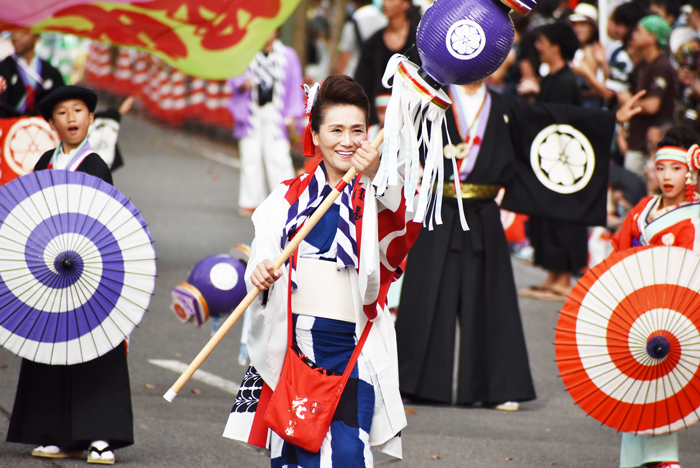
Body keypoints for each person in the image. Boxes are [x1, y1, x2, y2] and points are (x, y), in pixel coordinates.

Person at [395, 75, 645, 408]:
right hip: (438, 208)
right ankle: (413, 383)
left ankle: (495, 387)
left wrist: (611, 118)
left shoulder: (504, 105)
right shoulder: (433, 100)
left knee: (489, 297)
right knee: (426, 295)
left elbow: (554, 118)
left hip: (483, 211)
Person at [222, 75, 421, 466]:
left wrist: (379, 173)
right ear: (315, 133)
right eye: (336, 130)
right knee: (294, 454)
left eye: (357, 130)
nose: (347, 141)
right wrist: (260, 273)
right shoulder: (285, 197)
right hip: (294, 348)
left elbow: (402, 229)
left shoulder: (379, 192)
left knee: (349, 453)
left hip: (353, 348)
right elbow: (263, 257)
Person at [6, 86, 131, 464]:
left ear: (91, 118)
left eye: (79, 110)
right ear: (51, 123)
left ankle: (100, 436)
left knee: (93, 350)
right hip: (48, 271)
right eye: (62, 113)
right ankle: (54, 433)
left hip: (90, 272)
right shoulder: (44, 162)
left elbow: (108, 220)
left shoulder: (95, 164)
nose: (72, 118)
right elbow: (29, 213)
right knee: (48, 346)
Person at [610, 126, 700, 468]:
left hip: (671, 315)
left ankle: (663, 458)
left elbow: (689, 275)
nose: (666, 176)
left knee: (659, 386)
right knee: (635, 387)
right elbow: (618, 253)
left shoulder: (694, 220)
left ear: (691, 169)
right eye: (661, 167)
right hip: (633, 307)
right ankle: (641, 460)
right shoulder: (643, 208)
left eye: (676, 169)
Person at [518, 23, 588, 301]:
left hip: (563, 162)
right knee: (546, 218)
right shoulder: (552, 78)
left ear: (556, 46)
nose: (538, 47)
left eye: (542, 41)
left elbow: (559, 122)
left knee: (561, 219)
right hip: (550, 160)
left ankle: (563, 277)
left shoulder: (565, 81)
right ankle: (552, 275)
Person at [228, 30, 305, 216]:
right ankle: (251, 200)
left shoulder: (288, 55)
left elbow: (295, 86)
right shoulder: (247, 52)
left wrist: (294, 115)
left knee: (279, 156)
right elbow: (233, 73)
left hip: (277, 114)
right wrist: (242, 83)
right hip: (251, 112)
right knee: (250, 156)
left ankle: (286, 199)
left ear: (276, 31)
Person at [618, 15, 675, 180]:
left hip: (651, 144)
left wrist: (630, 101)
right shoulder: (642, 65)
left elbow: (652, 105)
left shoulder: (662, 66)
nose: (633, 35)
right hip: (636, 139)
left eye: (639, 31)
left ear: (652, 37)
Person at [354, 0, 420, 125]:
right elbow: (362, 83)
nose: (385, 3)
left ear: (406, 4)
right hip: (378, 120)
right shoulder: (373, 42)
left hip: (414, 119)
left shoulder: (419, 40)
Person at [0, 29, 64, 117]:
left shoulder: (51, 73)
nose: (16, 38)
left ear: (37, 38)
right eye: (13, 33)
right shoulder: (3, 68)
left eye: (23, 33)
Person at [334, 0, 387, 77]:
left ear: (355, 3)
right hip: (378, 76)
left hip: (354, 76)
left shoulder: (351, 25)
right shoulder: (385, 22)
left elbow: (345, 57)